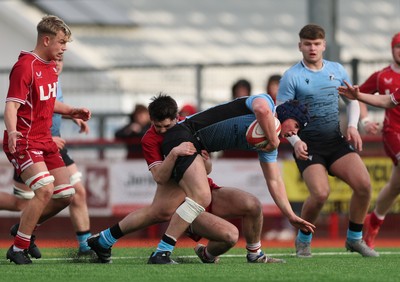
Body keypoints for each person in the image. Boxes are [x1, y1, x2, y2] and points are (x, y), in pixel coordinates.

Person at [87, 94, 285, 264]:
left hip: (201, 191)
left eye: (167, 126)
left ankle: (230, 254)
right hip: (186, 201)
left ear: (177, 117)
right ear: (151, 121)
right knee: (163, 210)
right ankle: (161, 251)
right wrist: (173, 154)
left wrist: (204, 161)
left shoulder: (187, 127)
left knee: (250, 207)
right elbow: (160, 177)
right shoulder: (150, 139)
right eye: (158, 127)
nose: (163, 131)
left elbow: (206, 168)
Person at [143, 93, 315, 264]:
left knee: (253, 205)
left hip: (196, 147)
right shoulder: (267, 103)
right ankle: (162, 252)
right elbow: (261, 110)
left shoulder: (269, 146)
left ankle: (253, 254)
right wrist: (273, 141)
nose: (294, 133)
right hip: (183, 136)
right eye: (296, 125)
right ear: (287, 115)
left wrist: (290, 215)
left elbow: (274, 180)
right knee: (187, 201)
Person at [276, 23, 378, 258]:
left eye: (317, 44)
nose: (312, 48)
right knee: (321, 194)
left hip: (335, 141)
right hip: (308, 145)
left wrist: (353, 126)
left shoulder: (337, 70)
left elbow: (352, 100)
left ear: (324, 45)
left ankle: (354, 239)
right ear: (300, 46)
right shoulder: (292, 77)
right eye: (308, 44)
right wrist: (295, 142)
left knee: (364, 186)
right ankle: (303, 239)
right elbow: (282, 116)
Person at [3, 15, 90, 264]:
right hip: (25, 140)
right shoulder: (25, 66)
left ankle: (25, 230)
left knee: (66, 194)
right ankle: (19, 247)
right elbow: (10, 106)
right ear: (47, 39)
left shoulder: (51, 66)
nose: (64, 48)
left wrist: (73, 111)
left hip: (45, 140)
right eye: (62, 42)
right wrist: (11, 133)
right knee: (44, 190)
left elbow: (49, 103)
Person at [337, 31, 400, 248]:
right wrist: (364, 120)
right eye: (398, 46)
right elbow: (386, 101)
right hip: (394, 133)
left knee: (395, 186)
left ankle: (373, 222)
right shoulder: (382, 76)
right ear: (392, 50)